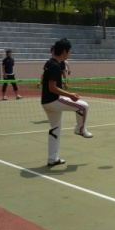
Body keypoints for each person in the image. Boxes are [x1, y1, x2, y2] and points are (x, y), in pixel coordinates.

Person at [41, 38, 92, 167]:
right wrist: (70, 95)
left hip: (46, 102)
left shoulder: (50, 62)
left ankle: (52, 158)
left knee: (55, 130)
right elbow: (52, 88)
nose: (69, 54)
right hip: (53, 100)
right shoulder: (55, 66)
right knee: (84, 107)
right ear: (64, 52)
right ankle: (80, 129)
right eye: (69, 52)